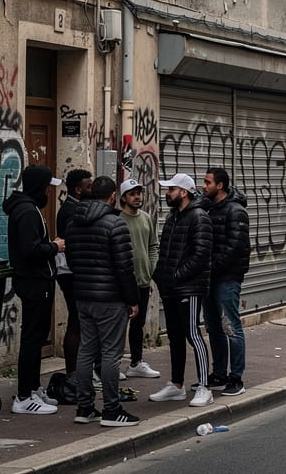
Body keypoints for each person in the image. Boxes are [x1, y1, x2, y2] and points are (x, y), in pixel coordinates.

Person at [65, 175, 142, 427]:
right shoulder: (115, 224)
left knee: (86, 350)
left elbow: (72, 261)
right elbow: (124, 267)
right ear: (111, 196)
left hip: (83, 296)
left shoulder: (74, 222)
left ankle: (84, 407)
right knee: (111, 353)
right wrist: (132, 299)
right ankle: (112, 409)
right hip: (110, 298)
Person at [148, 173, 214, 408]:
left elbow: (200, 256)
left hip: (189, 287)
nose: (167, 193)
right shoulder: (174, 217)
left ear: (183, 192)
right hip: (172, 287)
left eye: (171, 189)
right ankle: (176, 385)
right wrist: (160, 275)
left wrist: (175, 276)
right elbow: (165, 250)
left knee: (192, 334)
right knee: (175, 336)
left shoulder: (199, 217)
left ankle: (205, 387)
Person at [4, 164, 64, 415]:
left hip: (36, 280)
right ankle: (24, 396)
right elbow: (30, 250)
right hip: (34, 281)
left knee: (36, 337)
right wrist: (55, 247)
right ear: (39, 186)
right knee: (31, 339)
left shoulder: (28, 209)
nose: (50, 193)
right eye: (48, 187)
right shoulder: (28, 212)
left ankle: (33, 387)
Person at [201, 168, 250, 396]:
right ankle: (219, 374)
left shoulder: (236, 211)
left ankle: (236, 378)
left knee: (231, 327)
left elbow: (235, 247)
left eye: (207, 182)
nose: (204, 186)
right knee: (214, 328)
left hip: (227, 278)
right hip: (210, 278)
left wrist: (212, 267)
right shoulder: (208, 208)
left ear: (219, 186)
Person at [119, 178, 162, 379]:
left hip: (143, 281)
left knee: (138, 324)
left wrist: (151, 267)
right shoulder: (118, 219)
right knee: (118, 325)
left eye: (139, 193)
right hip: (123, 282)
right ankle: (113, 364)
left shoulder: (145, 217)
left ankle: (136, 362)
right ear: (123, 197)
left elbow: (153, 245)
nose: (137, 197)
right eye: (132, 194)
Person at [56, 168, 92, 378]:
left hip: (72, 270)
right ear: (78, 190)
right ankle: (73, 372)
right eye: (88, 186)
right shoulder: (72, 211)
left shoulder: (74, 206)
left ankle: (79, 370)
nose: (92, 189)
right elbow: (73, 244)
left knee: (79, 320)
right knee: (77, 321)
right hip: (71, 272)